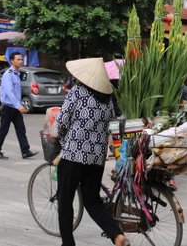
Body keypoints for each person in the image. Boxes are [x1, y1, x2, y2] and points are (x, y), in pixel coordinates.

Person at [55, 57, 129, 246]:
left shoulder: (77, 92)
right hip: (96, 158)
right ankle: (116, 235)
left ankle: (68, 243)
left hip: (73, 155)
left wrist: (63, 140)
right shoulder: (108, 100)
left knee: (64, 200)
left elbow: (61, 121)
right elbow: (112, 122)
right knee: (92, 200)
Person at [0, 51, 38, 160]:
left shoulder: (17, 74)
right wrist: (18, 106)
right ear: (12, 61)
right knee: (3, 130)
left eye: (21, 59)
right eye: (18, 59)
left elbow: (17, 92)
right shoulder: (8, 74)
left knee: (21, 129)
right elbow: (9, 92)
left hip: (15, 108)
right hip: (8, 107)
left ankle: (25, 151)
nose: (20, 61)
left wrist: (20, 104)